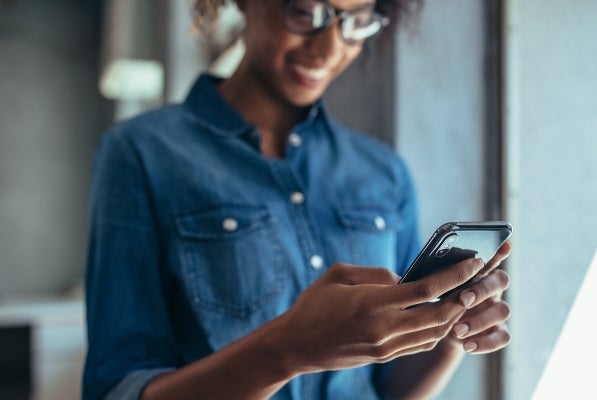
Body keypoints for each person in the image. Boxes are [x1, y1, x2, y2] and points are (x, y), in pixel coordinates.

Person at [82, 0, 513, 399]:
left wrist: (449, 328)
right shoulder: (142, 152)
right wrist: (286, 350)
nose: (328, 49)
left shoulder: (383, 171)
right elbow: (118, 389)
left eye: (356, 23)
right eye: (306, 13)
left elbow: (388, 385)